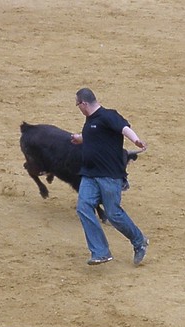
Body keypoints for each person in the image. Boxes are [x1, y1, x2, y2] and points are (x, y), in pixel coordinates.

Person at [71, 88, 149, 266]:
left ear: (83, 103)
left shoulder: (107, 115)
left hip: (109, 175)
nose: (78, 108)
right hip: (90, 174)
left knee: (113, 214)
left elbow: (124, 128)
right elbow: (94, 136)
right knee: (83, 207)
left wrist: (136, 141)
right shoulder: (90, 122)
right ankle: (100, 252)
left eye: (77, 104)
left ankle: (139, 241)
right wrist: (79, 138)